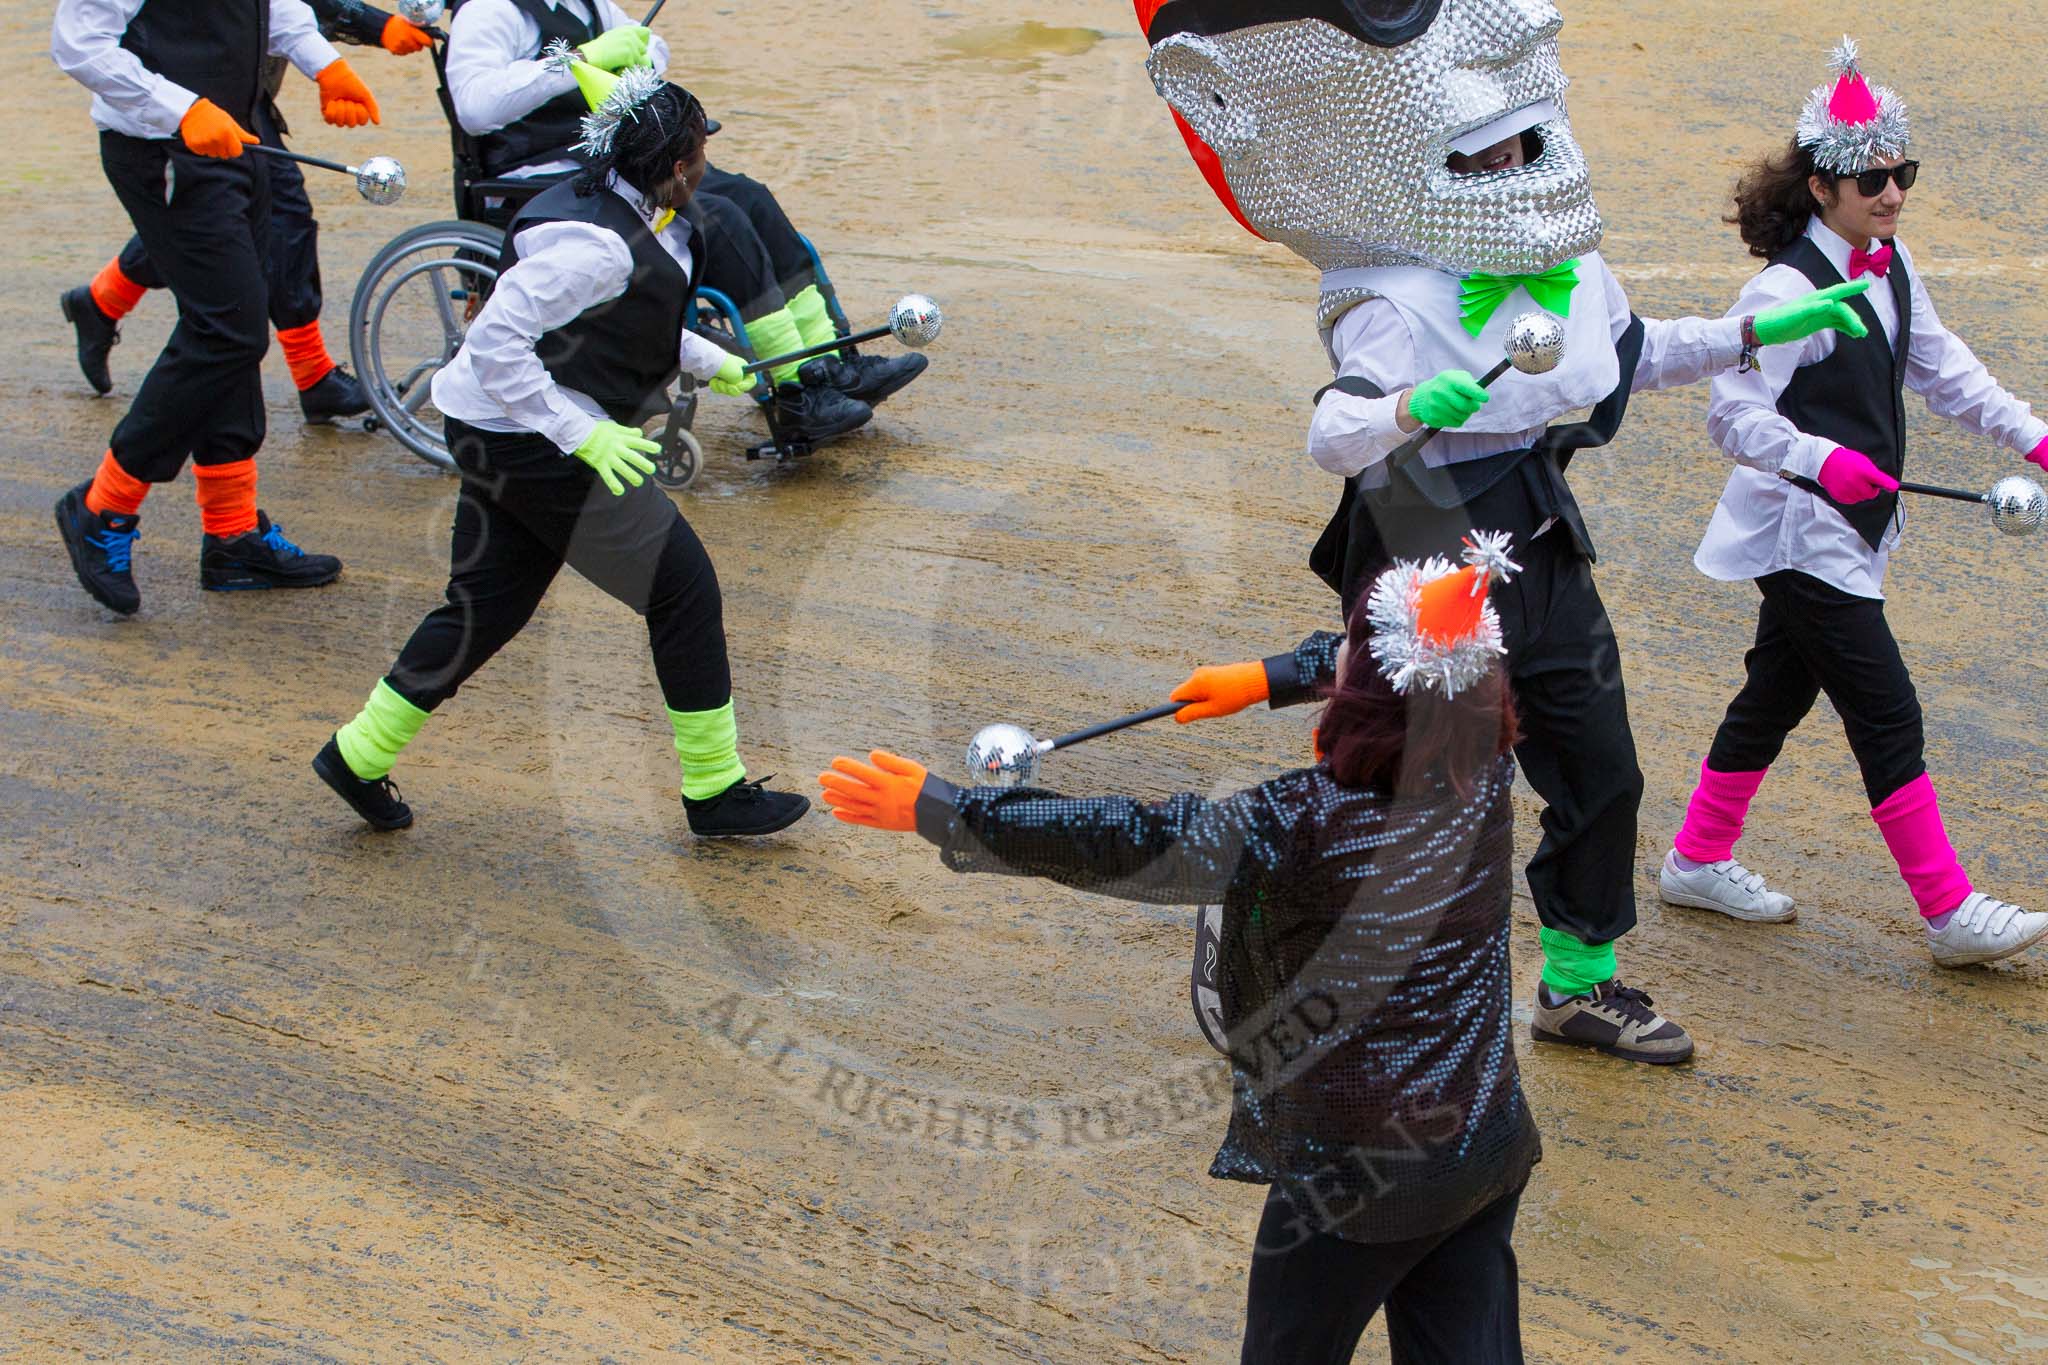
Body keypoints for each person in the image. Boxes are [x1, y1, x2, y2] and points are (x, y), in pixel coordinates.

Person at [1136, 0, 1873, 1063]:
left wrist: (1762, 327)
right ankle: (1311, 963)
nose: (1523, 164)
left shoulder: (1562, 263)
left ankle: (1576, 984)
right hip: (1429, 543)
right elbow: (1331, 433)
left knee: (1597, 765)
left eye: (1530, 141)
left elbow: (1637, 350)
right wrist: (1406, 410)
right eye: (1493, 153)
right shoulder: (1386, 295)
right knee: (1413, 783)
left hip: (1536, 533)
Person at [822, 535, 1536, 1364]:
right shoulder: (1487, 766)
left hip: (1356, 1177)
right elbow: (1407, 671)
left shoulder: (1296, 823)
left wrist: (948, 811)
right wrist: (1268, 677)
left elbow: (1128, 839)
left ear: (1364, 696)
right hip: (1483, 1137)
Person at [312, 71, 809, 840]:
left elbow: (616, 321)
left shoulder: (621, 210)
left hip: (492, 430)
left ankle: (357, 753)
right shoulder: (593, 249)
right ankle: (715, 789)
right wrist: (582, 434)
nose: (707, 168)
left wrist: (716, 363)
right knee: (682, 588)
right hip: (527, 439)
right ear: (677, 167)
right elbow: (494, 343)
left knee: (483, 609)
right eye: (702, 154)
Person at [1661, 38, 2048, 966]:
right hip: (1802, 531)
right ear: (1822, 186)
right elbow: (1731, 414)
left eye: (1901, 172)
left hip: (1854, 530)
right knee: (1887, 712)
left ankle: (1696, 857)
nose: (1892, 191)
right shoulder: (1783, 288)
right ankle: (1948, 910)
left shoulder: (1889, 262)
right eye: (1871, 177)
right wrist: (1817, 459)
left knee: (1773, 695)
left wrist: (2034, 436)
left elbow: (1945, 370)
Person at [442, 0, 924, 443]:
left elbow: (653, 46)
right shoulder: (489, 11)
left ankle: (828, 359)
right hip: (546, 173)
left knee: (750, 196)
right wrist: (580, 60)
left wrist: (634, 59)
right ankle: (797, 390)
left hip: (626, 155)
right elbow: (475, 106)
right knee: (720, 217)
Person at [51, 0, 384, 614]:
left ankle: (232, 536)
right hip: (164, 151)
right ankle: (104, 505)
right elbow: (79, 44)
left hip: (241, 136)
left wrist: (324, 63)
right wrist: (184, 107)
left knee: (235, 327)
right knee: (227, 332)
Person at [58, 0, 435, 422]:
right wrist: (375, 25)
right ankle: (308, 376)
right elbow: (82, 42)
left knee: (259, 223)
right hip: (171, 109)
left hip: (238, 94)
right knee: (245, 243)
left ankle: (102, 302)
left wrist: (333, 63)